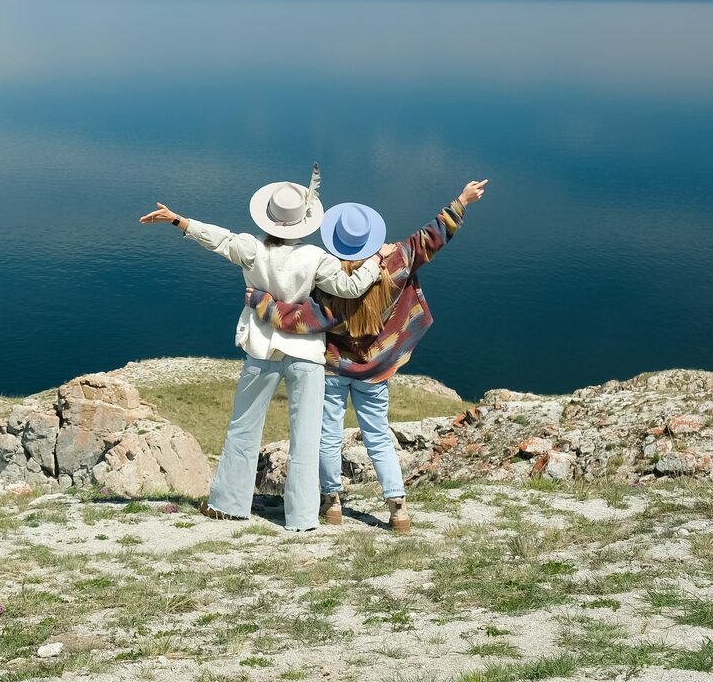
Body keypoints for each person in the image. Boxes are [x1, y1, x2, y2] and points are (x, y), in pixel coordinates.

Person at [139, 165, 383, 531]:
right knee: (306, 435)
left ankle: (228, 505)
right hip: (306, 353)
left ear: (269, 219)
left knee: (244, 426)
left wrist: (179, 221)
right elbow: (349, 289)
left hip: (261, 347)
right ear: (304, 221)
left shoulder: (252, 249)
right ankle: (301, 517)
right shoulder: (316, 257)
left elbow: (219, 239)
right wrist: (374, 265)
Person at [247, 179, 488, 534]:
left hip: (333, 368)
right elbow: (432, 237)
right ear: (371, 239)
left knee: (328, 435)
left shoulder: (327, 281)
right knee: (377, 434)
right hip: (376, 369)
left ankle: (332, 503)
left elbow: (298, 319)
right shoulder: (397, 262)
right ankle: (398, 508)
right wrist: (462, 201)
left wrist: (260, 302)